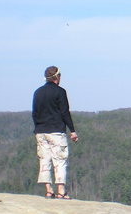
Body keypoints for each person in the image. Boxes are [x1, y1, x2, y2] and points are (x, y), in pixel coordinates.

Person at [32, 66, 79, 200]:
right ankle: (61, 191)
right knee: (60, 160)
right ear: (57, 77)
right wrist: (73, 131)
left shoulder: (38, 92)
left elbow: (34, 113)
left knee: (44, 160)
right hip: (56, 132)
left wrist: (38, 127)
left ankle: (48, 191)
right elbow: (65, 112)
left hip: (41, 131)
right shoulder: (60, 92)